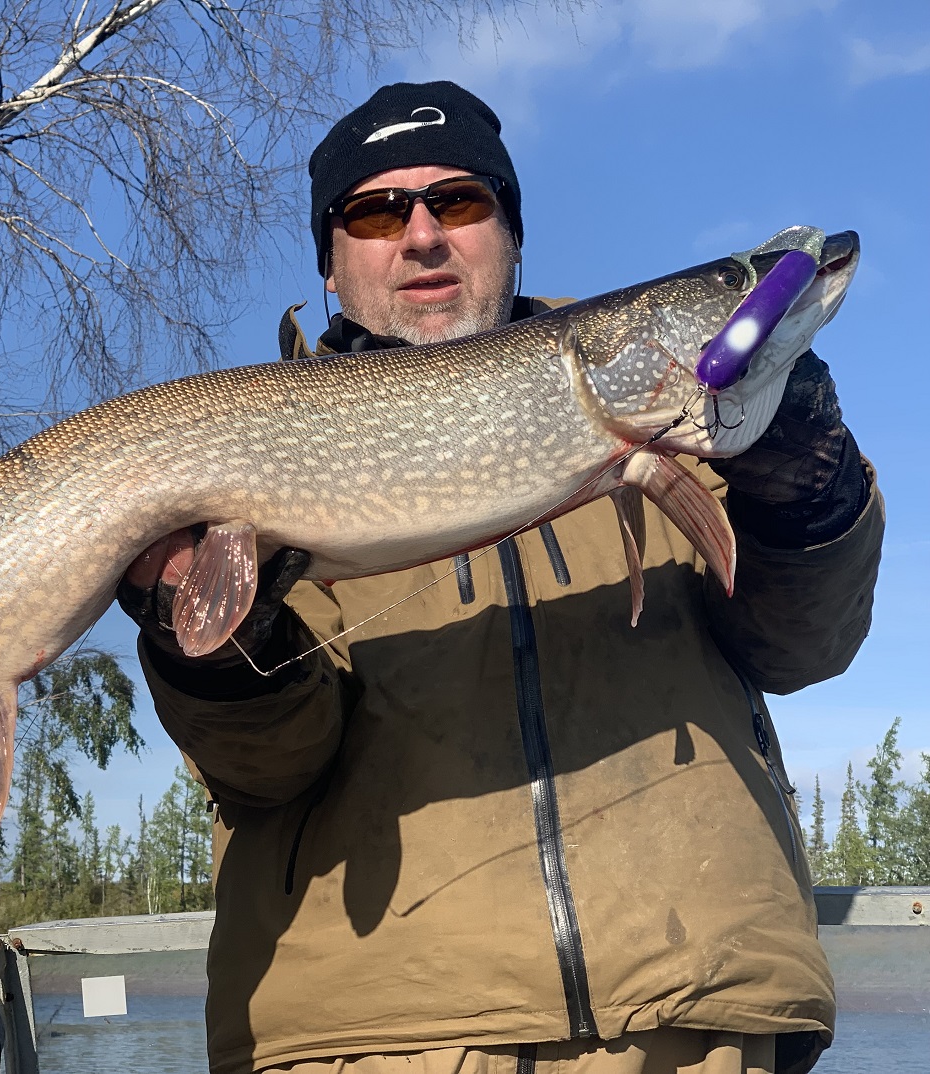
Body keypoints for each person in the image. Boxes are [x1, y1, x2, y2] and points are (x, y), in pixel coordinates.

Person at [117, 82, 884, 1074]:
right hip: (371, 1044)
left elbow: (802, 646)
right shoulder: (259, 460)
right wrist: (224, 651)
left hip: (692, 1025)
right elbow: (269, 769)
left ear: (511, 235)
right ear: (331, 266)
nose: (422, 235)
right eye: (376, 213)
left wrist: (806, 486)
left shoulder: (660, 413)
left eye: (460, 201)